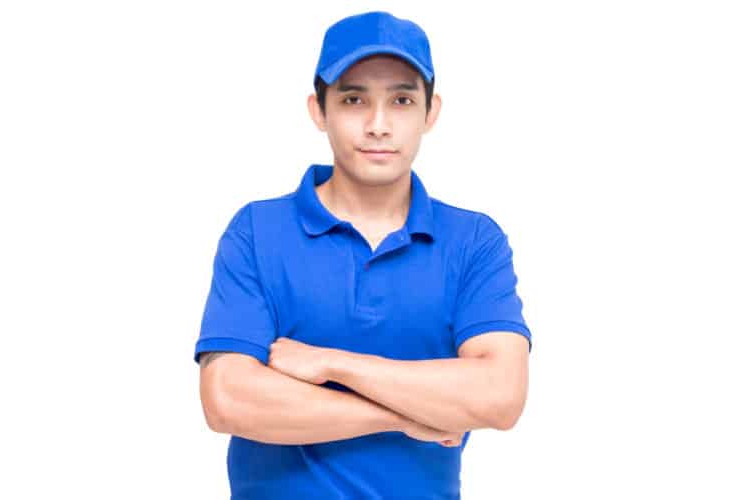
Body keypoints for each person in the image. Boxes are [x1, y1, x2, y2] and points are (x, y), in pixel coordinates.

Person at [190, 11, 534, 499]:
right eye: (354, 100)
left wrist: (334, 364)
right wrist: (405, 415)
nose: (378, 125)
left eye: (401, 100)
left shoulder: (473, 241)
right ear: (319, 110)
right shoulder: (257, 231)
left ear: (430, 112)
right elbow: (228, 399)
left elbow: (499, 396)